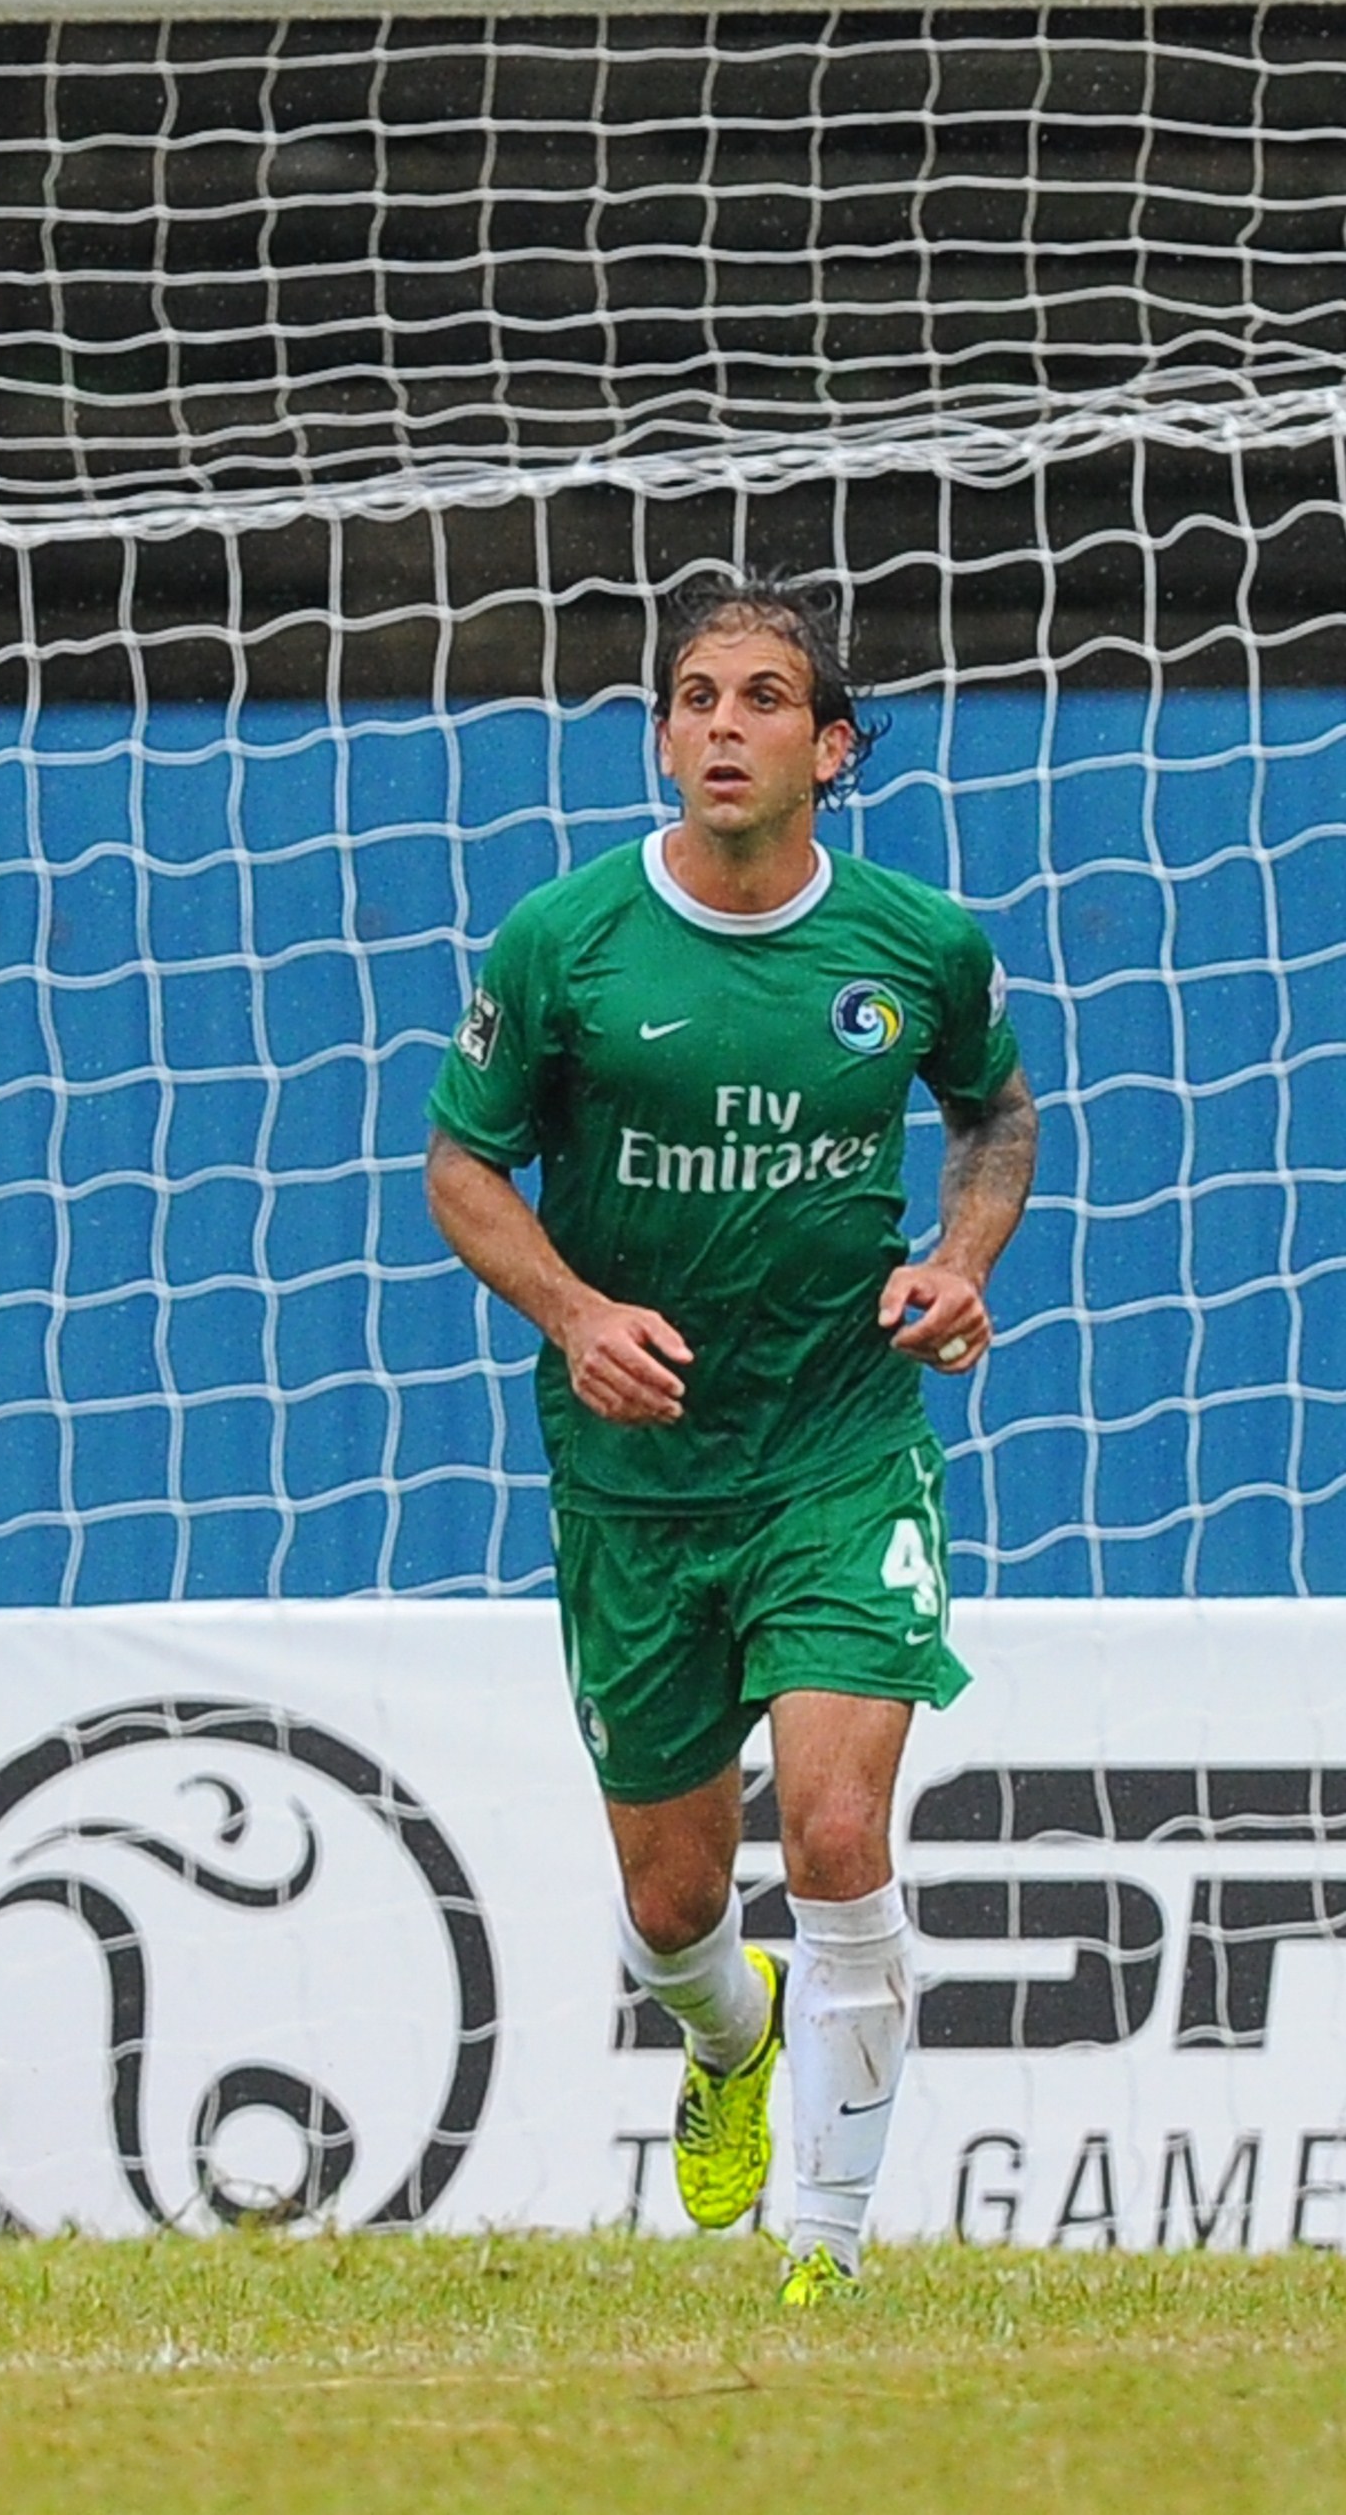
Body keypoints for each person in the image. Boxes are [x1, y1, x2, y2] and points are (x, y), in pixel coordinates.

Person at [424, 576, 1037, 2304]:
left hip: (841, 1444)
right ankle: (730, 2044)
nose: (720, 726)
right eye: (694, 697)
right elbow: (463, 1168)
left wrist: (961, 1261)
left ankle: (822, 2267)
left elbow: (995, 1111)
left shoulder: (918, 946)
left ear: (830, 750)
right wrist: (575, 1315)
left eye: (764, 699)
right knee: (680, 1906)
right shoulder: (566, 943)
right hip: (636, 1479)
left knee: (838, 1841)